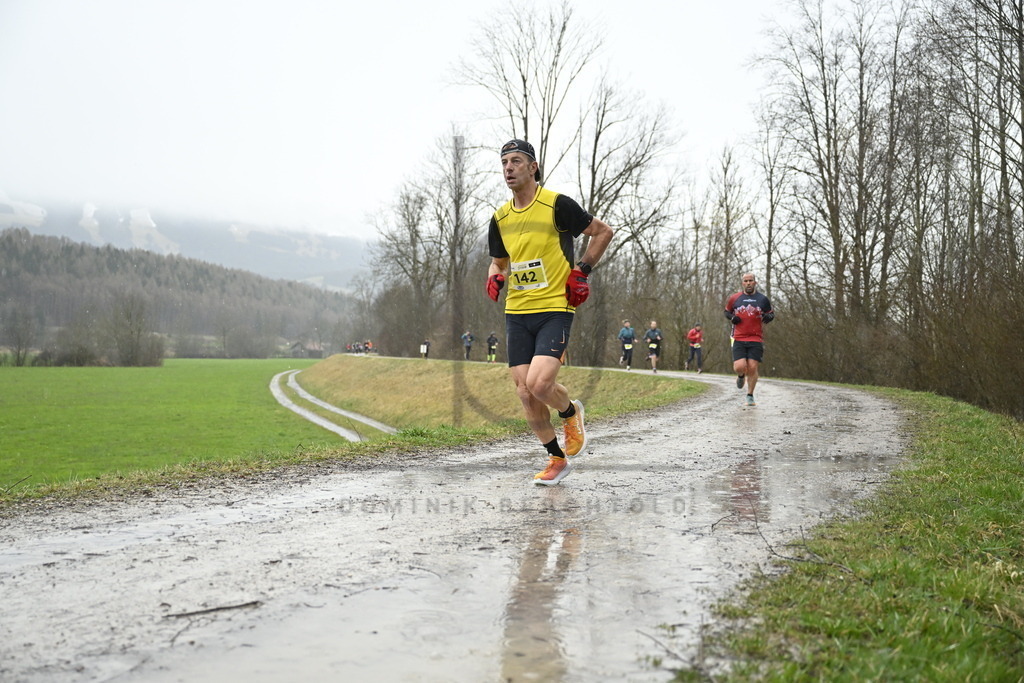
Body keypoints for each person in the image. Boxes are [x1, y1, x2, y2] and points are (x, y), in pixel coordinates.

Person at [485, 138, 614, 486]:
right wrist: (495, 278)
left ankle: (570, 411)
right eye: (504, 163)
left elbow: (603, 232)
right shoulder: (499, 218)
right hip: (517, 312)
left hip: (555, 308)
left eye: (515, 161)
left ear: (532, 167)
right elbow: (499, 263)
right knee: (524, 392)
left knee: (540, 384)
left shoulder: (556, 205)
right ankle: (556, 459)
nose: (508, 168)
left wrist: (581, 271)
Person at [725, 272, 775, 407]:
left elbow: (770, 313)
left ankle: (750, 395)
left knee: (753, 367)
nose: (748, 283)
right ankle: (741, 376)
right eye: (746, 281)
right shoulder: (735, 298)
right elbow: (727, 312)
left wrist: (770, 317)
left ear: (755, 283)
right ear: (742, 283)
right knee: (739, 366)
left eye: (750, 281)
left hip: (756, 337)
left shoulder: (762, 299)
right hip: (738, 337)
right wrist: (732, 318)